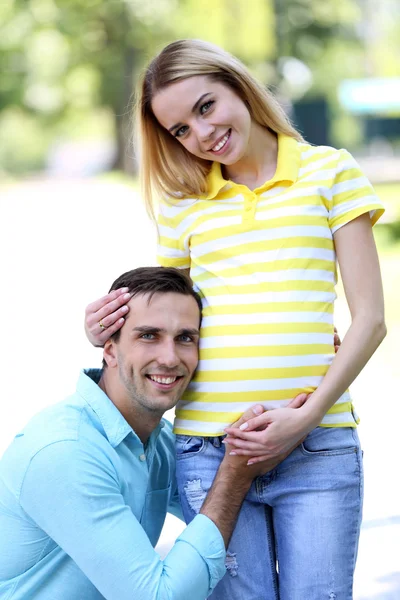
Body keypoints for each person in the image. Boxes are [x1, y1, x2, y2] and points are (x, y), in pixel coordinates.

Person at [84, 40, 386, 599]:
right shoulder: (183, 204)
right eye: (179, 129)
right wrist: (106, 323)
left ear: (237, 85)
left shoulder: (329, 171)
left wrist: (305, 417)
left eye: (205, 106)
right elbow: (163, 316)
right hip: (209, 451)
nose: (201, 134)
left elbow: (370, 321)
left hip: (317, 444)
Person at [0, 267, 302, 600]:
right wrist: (234, 476)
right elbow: (158, 597)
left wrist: (303, 360)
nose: (170, 358)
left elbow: (224, 507)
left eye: (185, 338)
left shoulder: (158, 443)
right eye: (148, 335)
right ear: (110, 349)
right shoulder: (65, 452)